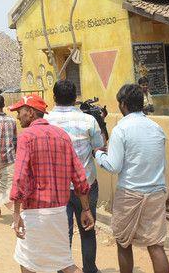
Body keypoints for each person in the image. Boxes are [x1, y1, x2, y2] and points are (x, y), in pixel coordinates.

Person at [9, 94, 94, 273]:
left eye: (20, 111)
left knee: (27, 261)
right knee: (64, 263)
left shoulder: (26, 137)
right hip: (59, 213)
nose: (18, 116)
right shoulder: (62, 136)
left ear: (31, 112)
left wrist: (16, 213)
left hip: (35, 212)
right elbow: (79, 177)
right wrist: (86, 209)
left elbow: (20, 177)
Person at [95, 84, 169, 273]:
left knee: (123, 242)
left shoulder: (122, 129)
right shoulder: (156, 128)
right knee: (156, 245)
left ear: (123, 104)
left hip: (129, 193)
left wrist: (99, 155)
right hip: (156, 192)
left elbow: (114, 166)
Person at [46, 80, 105, 273]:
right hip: (86, 185)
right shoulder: (89, 120)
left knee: (63, 233)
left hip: (57, 188)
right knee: (88, 230)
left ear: (54, 97)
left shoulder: (46, 121)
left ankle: (63, 268)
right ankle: (90, 269)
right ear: (75, 98)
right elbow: (100, 146)